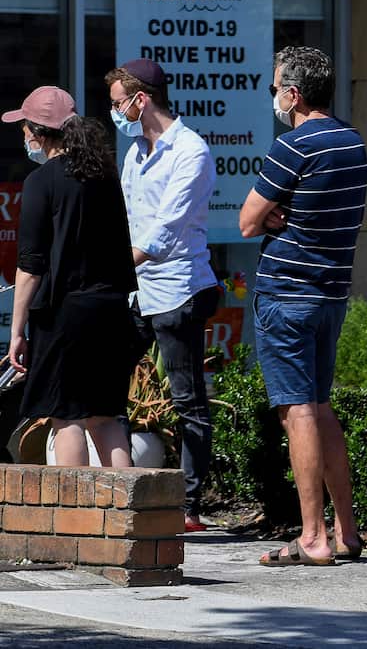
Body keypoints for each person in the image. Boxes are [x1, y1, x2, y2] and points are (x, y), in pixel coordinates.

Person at [239, 47, 367, 567]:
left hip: (286, 293)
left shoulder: (291, 147)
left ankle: (313, 536)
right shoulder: (353, 142)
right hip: (331, 292)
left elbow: (248, 221)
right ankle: (347, 530)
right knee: (319, 405)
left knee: (298, 412)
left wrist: (275, 215)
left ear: (293, 93)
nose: (273, 96)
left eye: (275, 87)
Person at [106, 58, 221, 531]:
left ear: (141, 99)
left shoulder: (190, 150)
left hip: (178, 289)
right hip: (138, 291)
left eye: (118, 103)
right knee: (110, 381)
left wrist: (114, 266)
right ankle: (123, 487)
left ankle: (190, 506)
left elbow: (165, 229)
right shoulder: (135, 151)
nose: (115, 112)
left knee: (186, 397)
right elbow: (127, 215)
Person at [4, 86, 138, 467]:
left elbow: (30, 265)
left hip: (65, 314)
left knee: (66, 418)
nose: (24, 136)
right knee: (105, 417)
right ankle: (124, 518)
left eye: (24, 127)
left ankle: (74, 524)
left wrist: (17, 331)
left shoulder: (40, 182)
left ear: (36, 131)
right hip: (111, 310)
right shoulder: (104, 175)